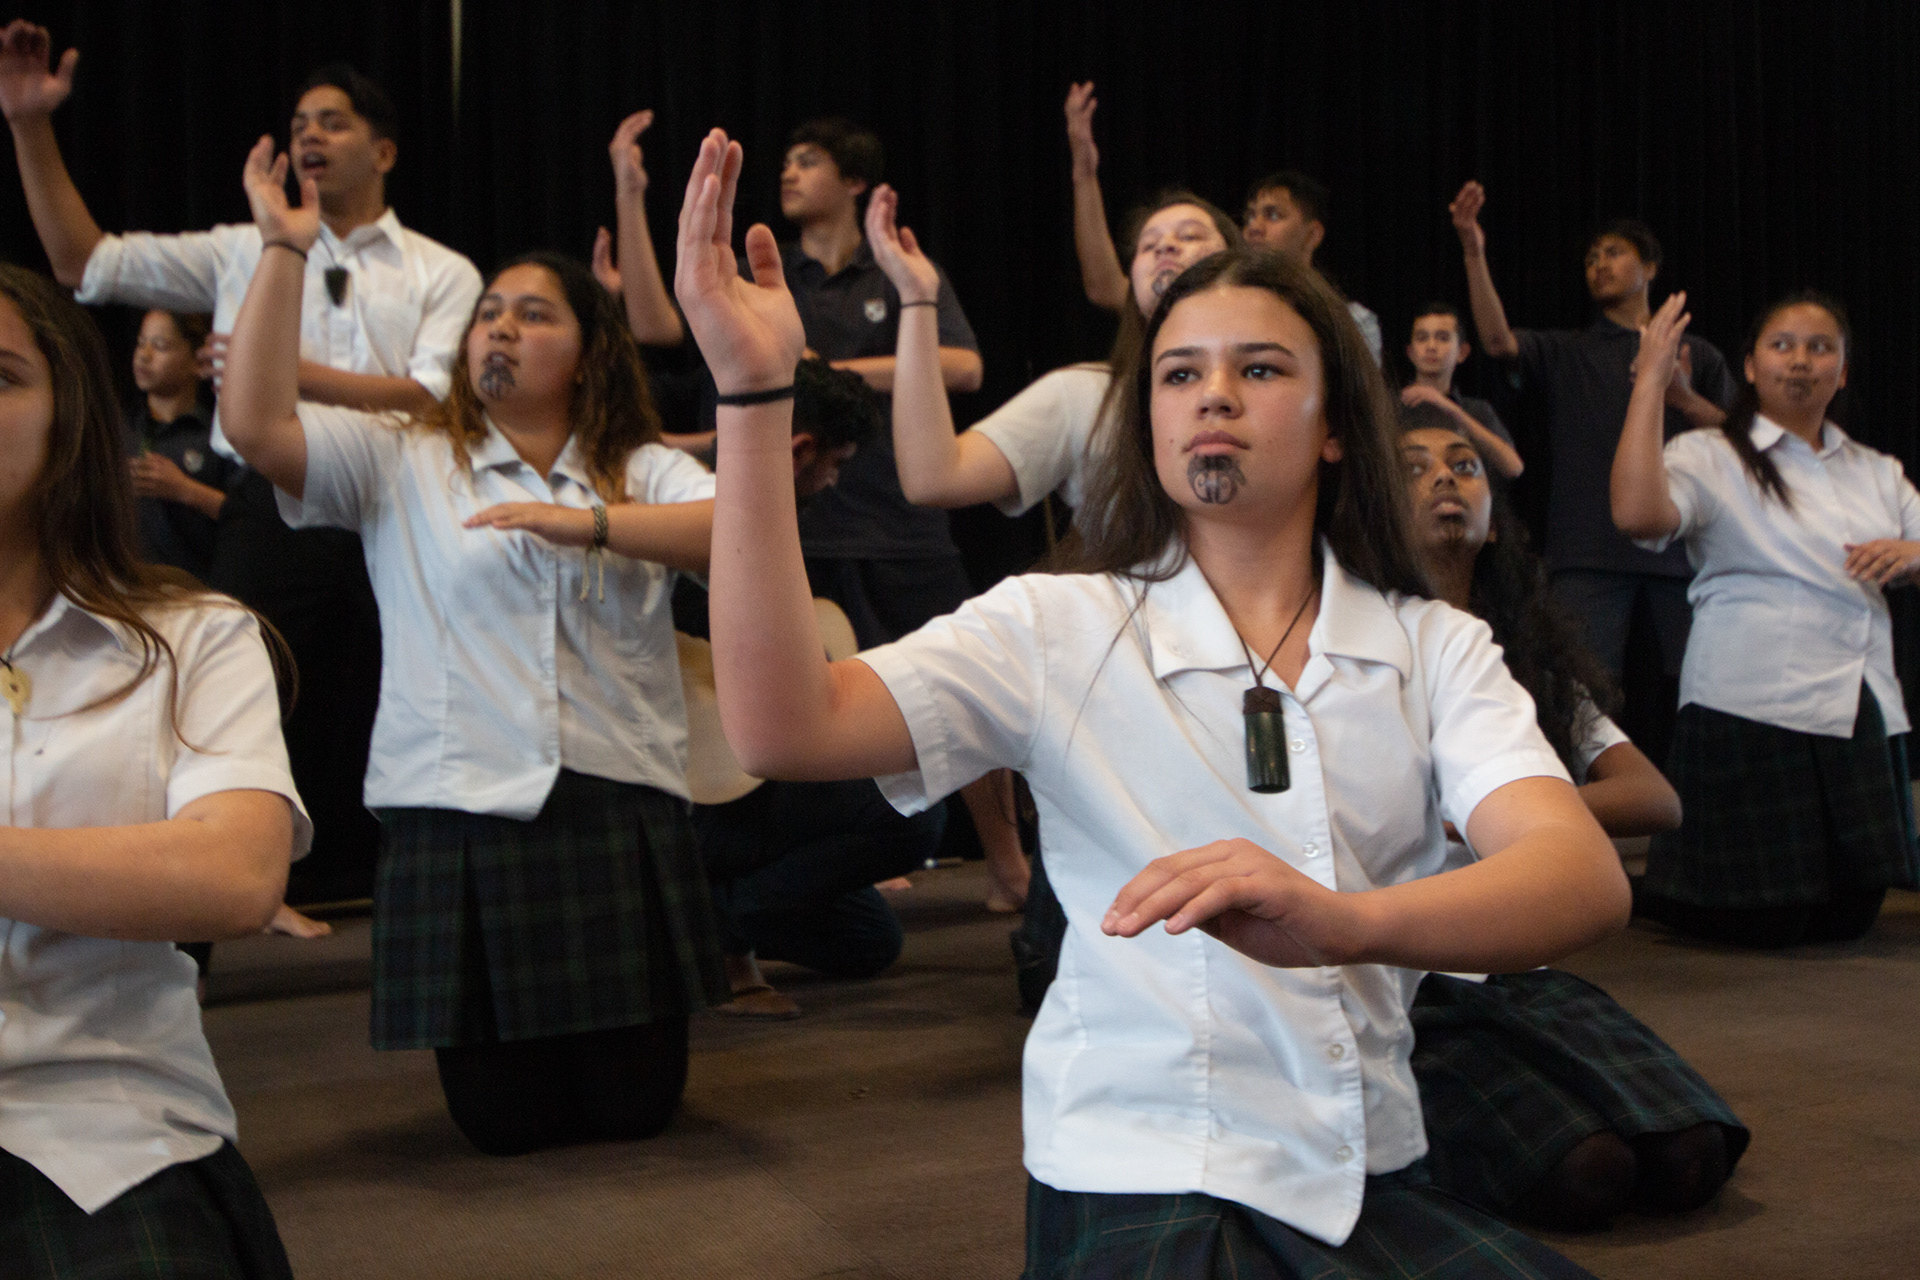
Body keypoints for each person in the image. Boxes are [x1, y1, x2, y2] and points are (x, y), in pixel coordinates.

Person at [676, 127, 1627, 1276]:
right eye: (1180, 374)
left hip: (1365, 1160)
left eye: (1260, 369)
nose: (1212, 394)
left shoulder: (1434, 645)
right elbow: (781, 723)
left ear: (1336, 425)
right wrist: (752, 395)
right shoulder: (1053, 624)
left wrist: (1345, 922)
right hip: (1140, 1161)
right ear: (1149, 417)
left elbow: (1580, 875)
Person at [219, 137, 728, 1156]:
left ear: (588, 351)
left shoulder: (637, 466)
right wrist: (284, 248)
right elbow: (258, 425)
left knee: (636, 1112)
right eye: (489, 311)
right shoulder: (401, 457)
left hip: (613, 795)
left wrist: (588, 523)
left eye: (533, 314)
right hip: (458, 807)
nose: (499, 325)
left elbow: (739, 529)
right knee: (504, 1125)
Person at [0, 24, 484, 908]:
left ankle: (392, 893)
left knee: (409, 689)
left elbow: (435, 397)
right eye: (299, 123)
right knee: (229, 674)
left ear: (384, 150)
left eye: (332, 121)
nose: (309, 136)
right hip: (265, 491)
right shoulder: (240, 245)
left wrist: (278, 372)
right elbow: (83, 260)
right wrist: (30, 124)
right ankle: (206, 899)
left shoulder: (441, 270)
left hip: (397, 494)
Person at [0, 264, 307, 1277]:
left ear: (69, 419)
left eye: (0, 376)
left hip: (104, 1126)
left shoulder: (193, 637)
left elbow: (236, 877)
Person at [869, 177, 1238, 1003]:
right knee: (1101, 955)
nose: (1166, 250)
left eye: (1191, 236)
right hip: (1132, 699)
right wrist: (919, 305)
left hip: (1259, 680)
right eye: (1150, 243)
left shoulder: (1286, 385)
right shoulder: (1087, 396)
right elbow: (933, 474)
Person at [1401, 404, 1748, 1230]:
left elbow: (1654, 798)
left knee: (1693, 1154)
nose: (1446, 478)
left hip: (1519, 964)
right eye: (1414, 468)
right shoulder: (1352, 651)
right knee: (1589, 1173)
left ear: (1493, 523)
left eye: (1465, 465)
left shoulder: (1530, 667)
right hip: (1410, 970)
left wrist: (1519, 813)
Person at [771, 115, 1027, 909]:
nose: (788, 172)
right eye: (786, 161)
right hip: (805, 526)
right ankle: (857, 854)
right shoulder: (772, 273)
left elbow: (965, 364)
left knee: (968, 694)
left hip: (902, 524)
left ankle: (1008, 864)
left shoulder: (898, 269)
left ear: (853, 180)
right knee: (822, 702)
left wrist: (834, 369)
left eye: (808, 161)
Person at [1612, 291, 1920, 948]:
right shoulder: (1710, 454)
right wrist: (1650, 385)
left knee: (1847, 921)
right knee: (1762, 922)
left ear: (1843, 371)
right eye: (1782, 345)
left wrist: (1914, 552)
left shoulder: (1877, 470)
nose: (1801, 360)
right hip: (1751, 703)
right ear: (1750, 367)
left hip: (1857, 699)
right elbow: (1637, 516)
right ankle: (1640, 892)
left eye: (1820, 348)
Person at [1448, 181, 1735, 689]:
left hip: (1684, 548)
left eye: (1614, 253)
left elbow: (1745, 443)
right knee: (1580, 691)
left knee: (1710, 686)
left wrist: (1687, 398)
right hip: (1587, 552)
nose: (1599, 265)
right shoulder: (1568, 350)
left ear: (1650, 268)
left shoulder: (1695, 353)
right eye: (1591, 259)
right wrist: (1474, 251)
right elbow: (1496, 340)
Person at [125, 308, 235, 581]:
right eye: (140, 343)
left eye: (160, 345)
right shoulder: (123, 430)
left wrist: (184, 489)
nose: (144, 355)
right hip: (124, 589)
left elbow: (246, 519)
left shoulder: (217, 437)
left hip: (193, 590)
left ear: (198, 362)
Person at [1242, 170, 1383, 363]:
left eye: (1273, 215)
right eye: (1250, 217)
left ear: (1312, 235)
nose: (1254, 227)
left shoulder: (1352, 322)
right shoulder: (1230, 308)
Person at [1401, 302, 1523, 479]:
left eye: (1443, 338)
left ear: (1462, 352)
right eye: (1422, 338)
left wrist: (1447, 406)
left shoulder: (1477, 411)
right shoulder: (1390, 406)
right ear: (1410, 352)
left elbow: (1514, 467)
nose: (1431, 346)